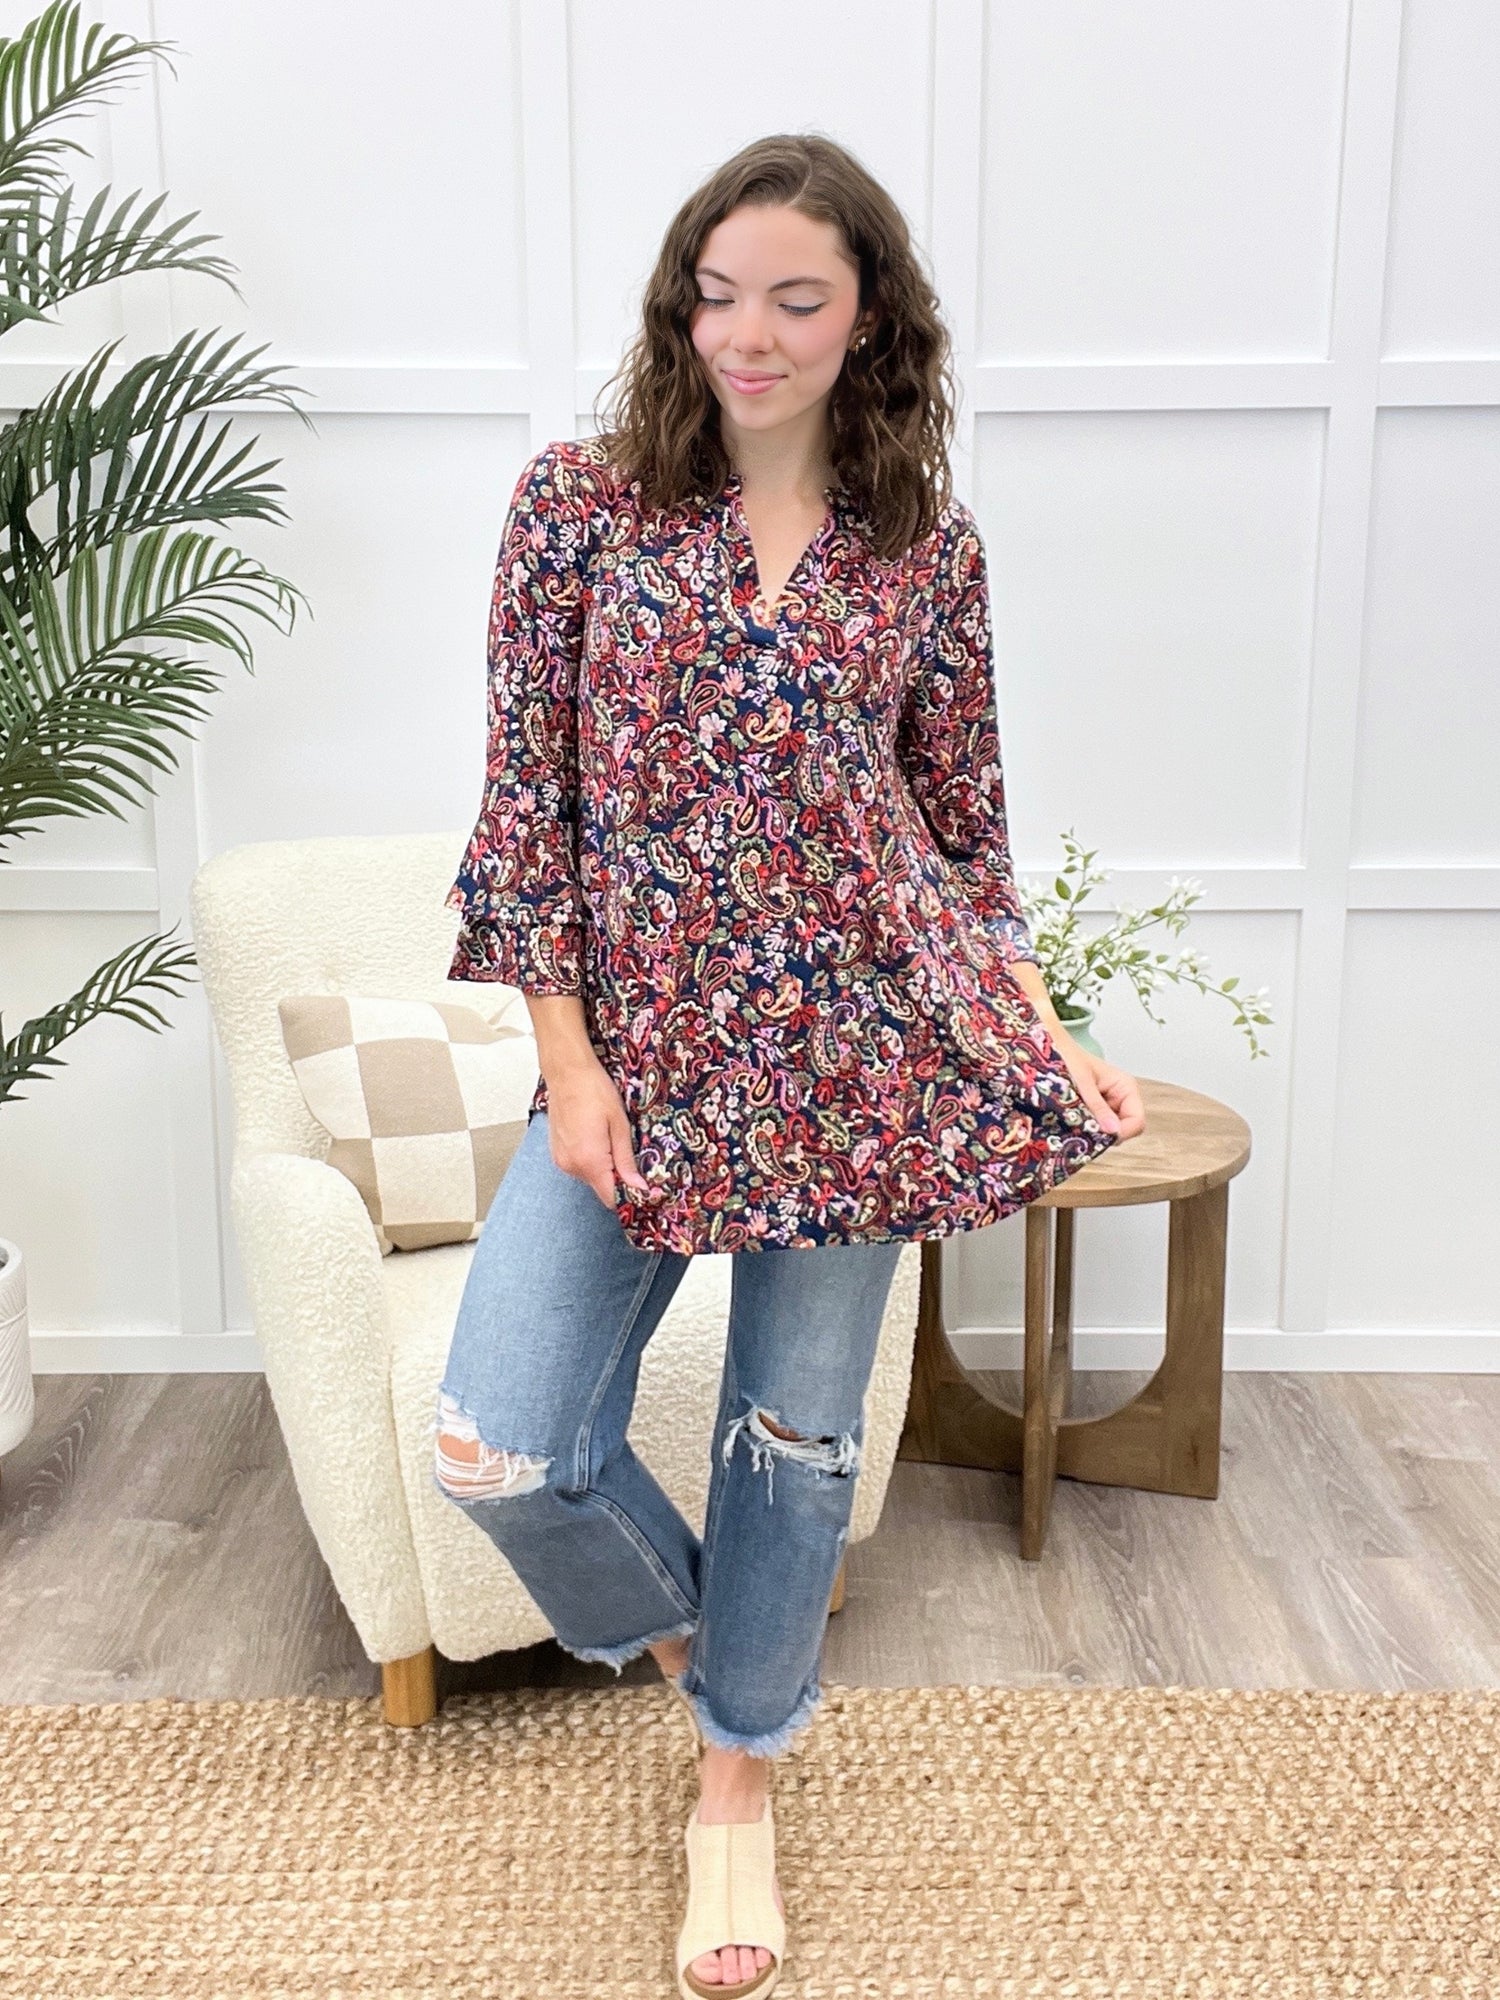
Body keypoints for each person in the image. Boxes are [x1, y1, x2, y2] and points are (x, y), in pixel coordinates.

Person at [433, 133, 1146, 2000]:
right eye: (718, 295)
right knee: (500, 1446)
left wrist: (1043, 1027)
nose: (747, 335)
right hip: (640, 1063)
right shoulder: (579, 505)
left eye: (796, 300)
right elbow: (526, 815)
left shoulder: (927, 551)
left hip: (864, 1061)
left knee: (794, 1445)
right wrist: (569, 1064)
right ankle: (718, 1663)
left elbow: (961, 839)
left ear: (870, 317)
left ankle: (735, 1794)